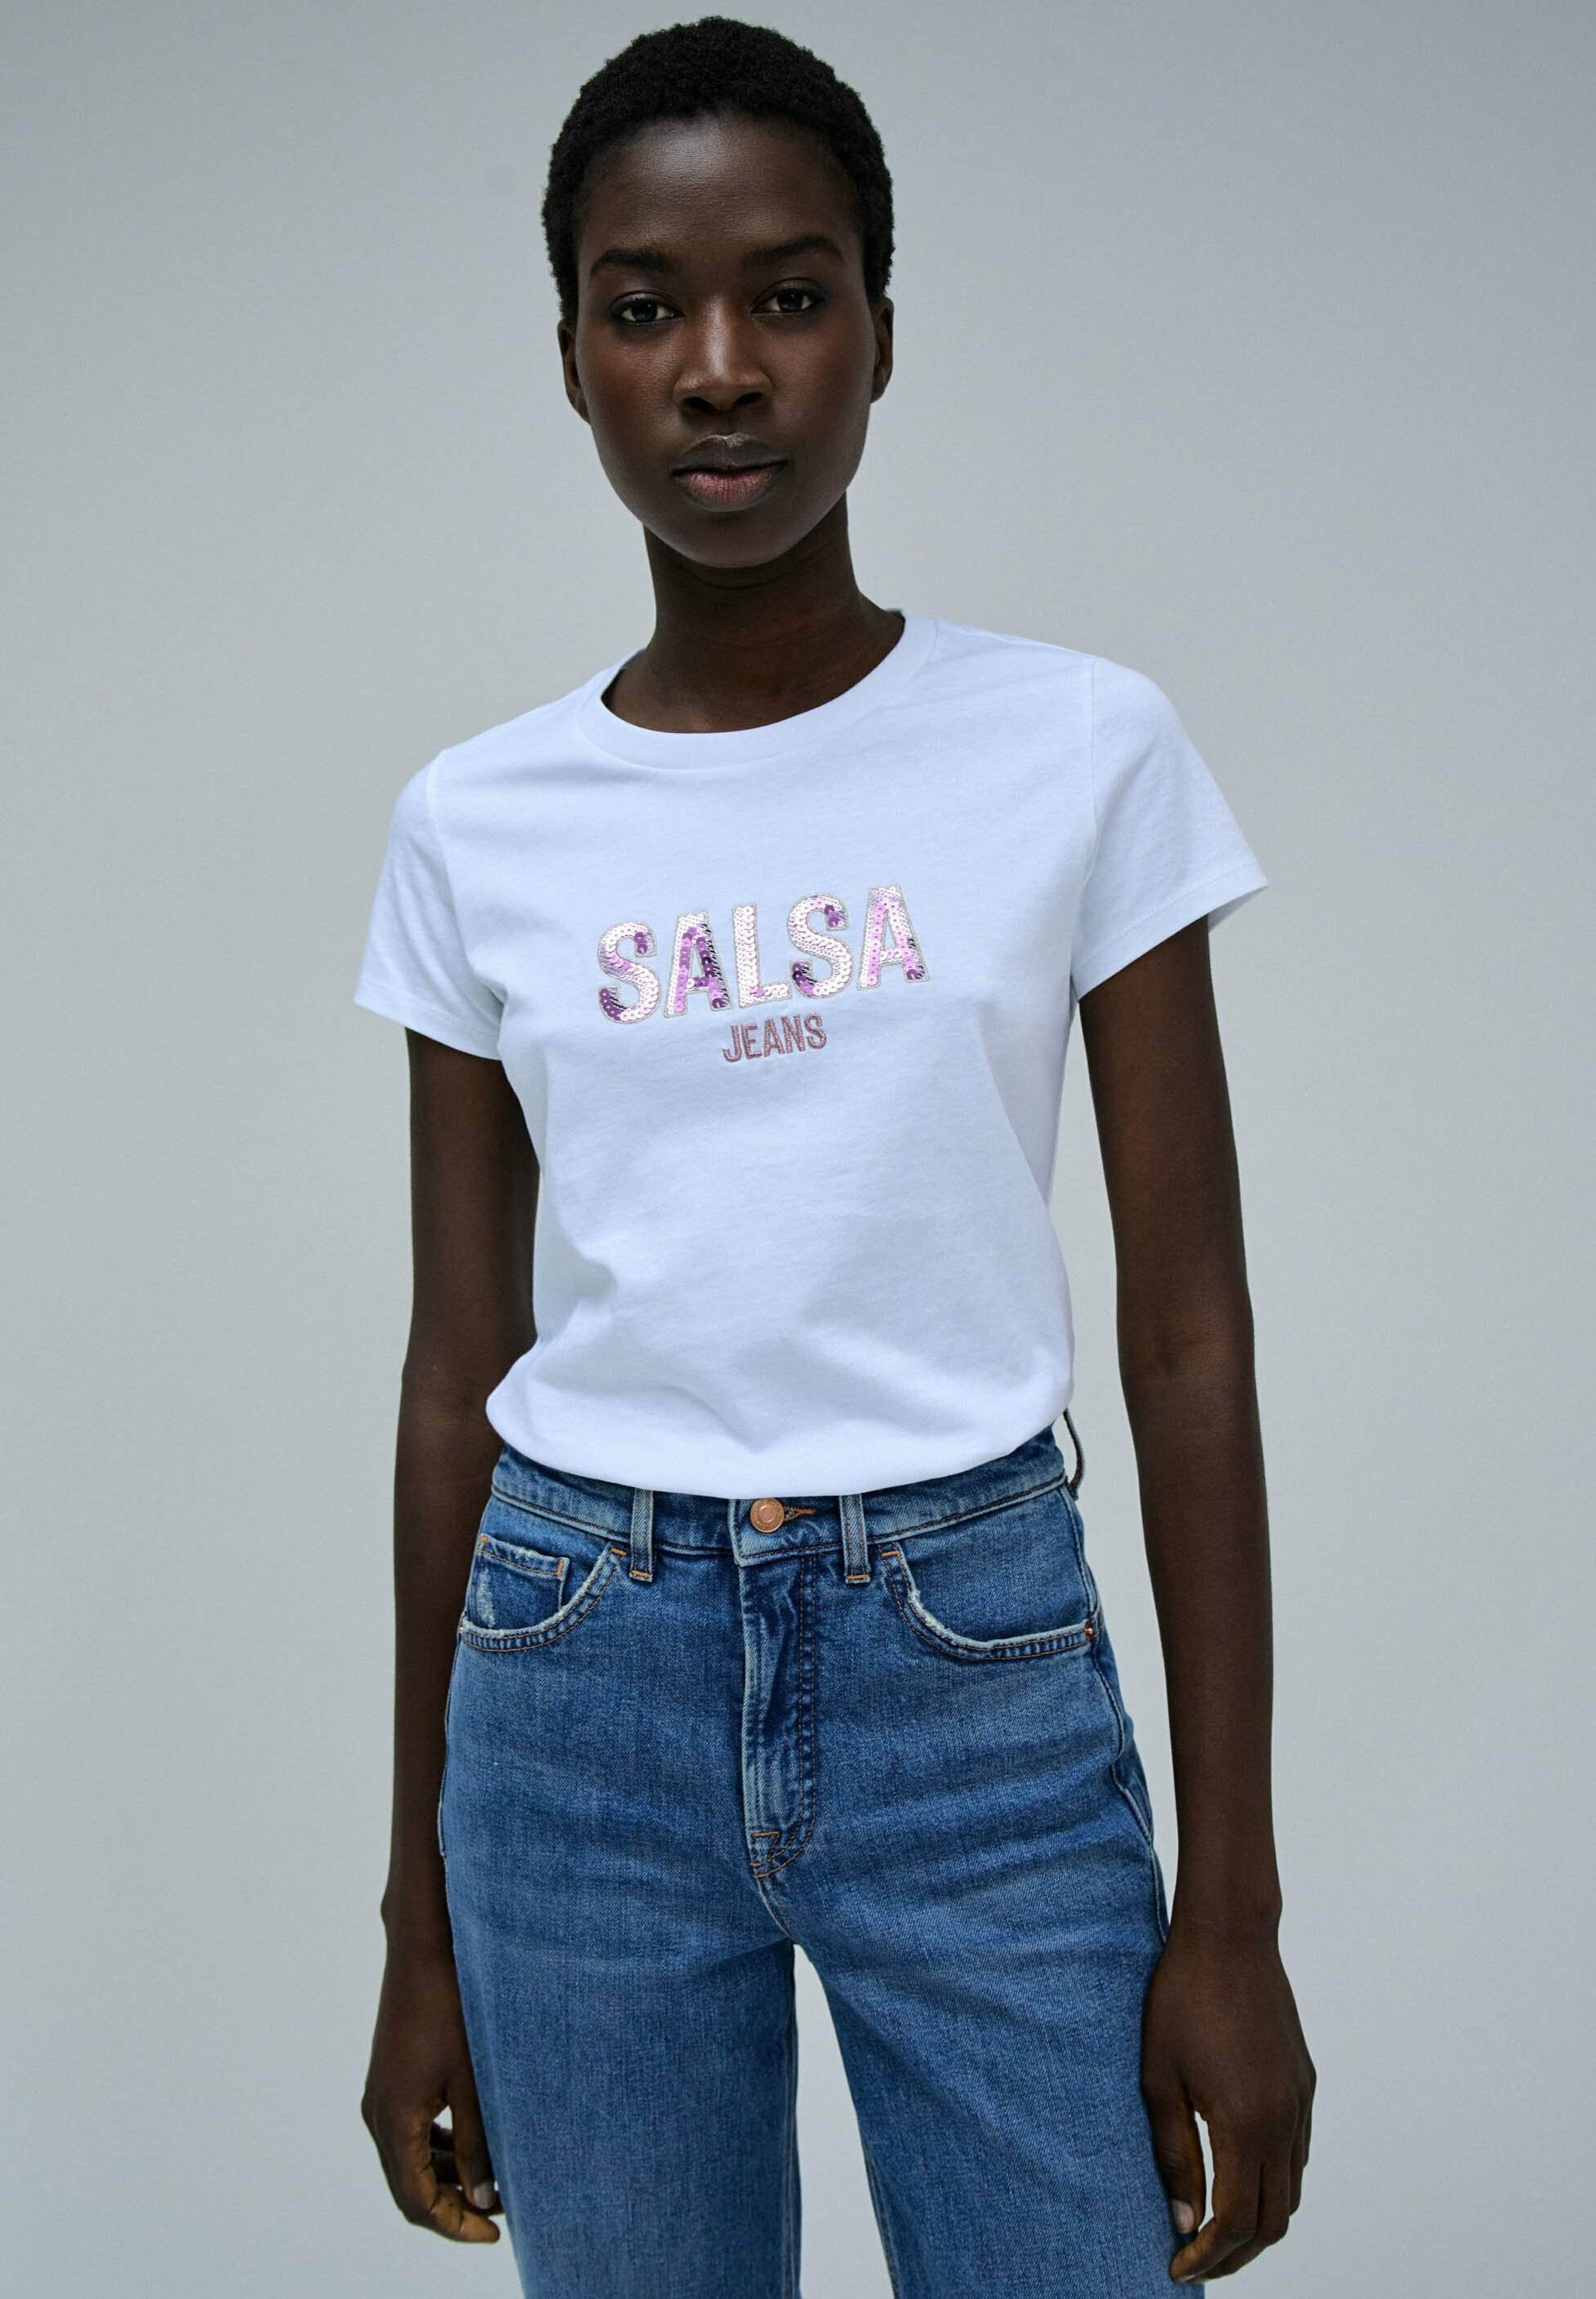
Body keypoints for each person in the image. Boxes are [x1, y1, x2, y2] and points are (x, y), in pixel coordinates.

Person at [353, 16, 1314, 2295]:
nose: (717, 370)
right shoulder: (476, 823)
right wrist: (420, 1918)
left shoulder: (1076, 749)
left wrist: (1236, 1911)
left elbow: (1188, 1339)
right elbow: (454, 1373)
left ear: (880, 331)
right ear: (571, 357)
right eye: (642, 305)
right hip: (570, 1684)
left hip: (971, 1662)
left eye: (787, 297)